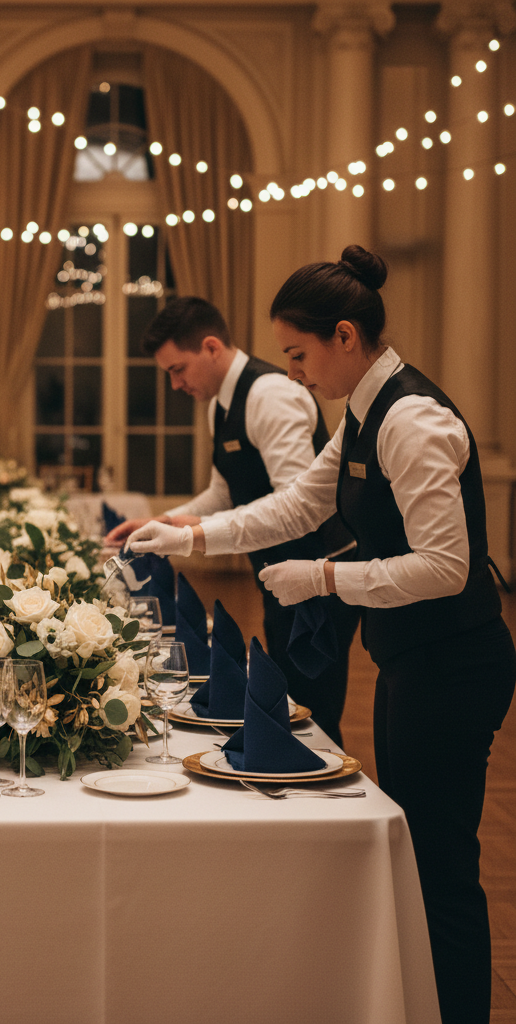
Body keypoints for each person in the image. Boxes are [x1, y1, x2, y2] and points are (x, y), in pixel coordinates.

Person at [128, 246, 515, 1024]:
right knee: (415, 849)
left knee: (440, 862)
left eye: (300, 355)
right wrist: (188, 538)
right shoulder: (361, 416)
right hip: (413, 658)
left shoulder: (411, 419)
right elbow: (297, 505)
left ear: (346, 336)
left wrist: (327, 579)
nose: (295, 374)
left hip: (456, 663)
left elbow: (446, 566)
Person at [104, 295, 360, 745]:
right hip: (277, 573)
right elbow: (225, 492)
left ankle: (323, 802)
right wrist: (163, 520)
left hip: (318, 578)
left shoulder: (271, 395)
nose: (175, 384)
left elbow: (297, 504)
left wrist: (192, 537)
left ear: (211, 347)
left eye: (177, 369)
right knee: (284, 704)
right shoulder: (219, 404)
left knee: (310, 714)